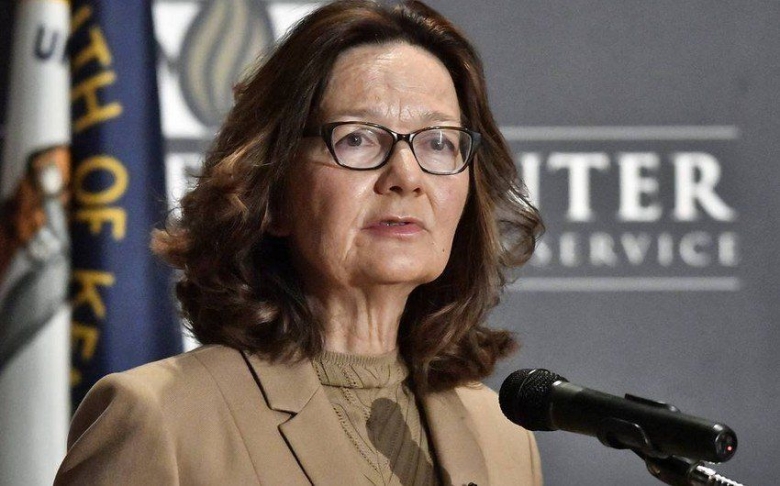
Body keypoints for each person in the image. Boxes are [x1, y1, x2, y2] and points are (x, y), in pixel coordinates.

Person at [54, 1, 544, 484]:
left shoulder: (502, 436)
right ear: (272, 192)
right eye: (357, 139)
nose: (407, 176)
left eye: (438, 142)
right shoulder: (161, 419)